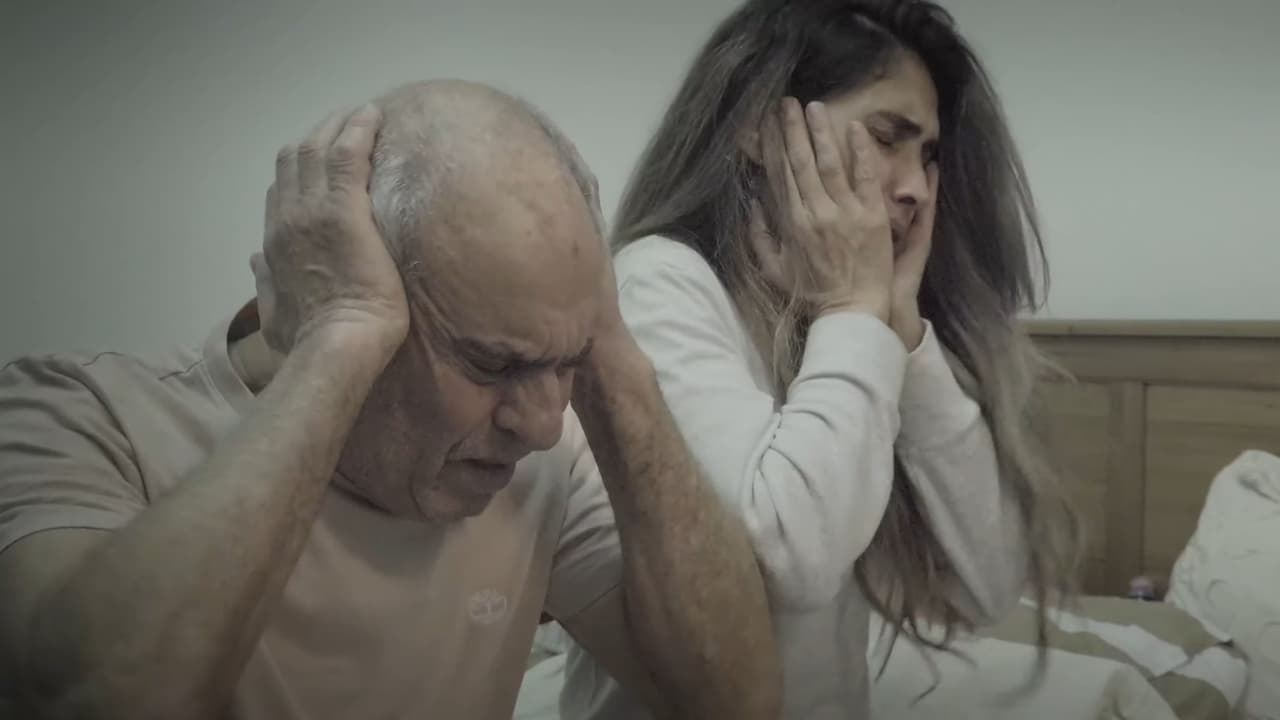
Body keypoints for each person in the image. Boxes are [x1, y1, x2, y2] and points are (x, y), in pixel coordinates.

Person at [0, 80, 782, 720]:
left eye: (563, 364)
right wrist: (337, 339)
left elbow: (736, 700)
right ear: (337, 287)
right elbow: (96, 699)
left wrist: (606, 351)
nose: (542, 427)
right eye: (493, 364)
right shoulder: (77, 416)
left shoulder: (547, 471)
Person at [561, 1, 1085, 718]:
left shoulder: (845, 320)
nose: (917, 187)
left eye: (930, 156)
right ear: (757, 126)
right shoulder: (659, 281)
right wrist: (856, 311)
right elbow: (787, 561)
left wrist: (905, 336)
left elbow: (989, 587)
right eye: (888, 137)